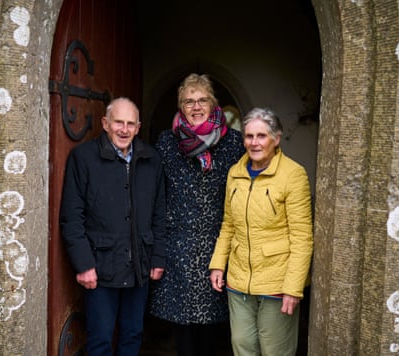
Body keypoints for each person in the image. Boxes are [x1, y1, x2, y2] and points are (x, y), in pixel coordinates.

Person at [59, 97, 166, 355]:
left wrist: (158, 257)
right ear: (106, 123)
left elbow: (160, 214)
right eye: (119, 122)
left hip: (140, 267)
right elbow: (71, 218)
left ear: (138, 127)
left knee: (132, 337)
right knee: (100, 341)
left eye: (131, 124)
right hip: (100, 268)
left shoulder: (151, 159)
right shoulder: (83, 158)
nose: (124, 129)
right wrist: (84, 264)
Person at [148, 73, 245, 356]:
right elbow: (155, 193)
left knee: (215, 328)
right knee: (183, 328)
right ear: (180, 106)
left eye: (202, 99)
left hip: (218, 246)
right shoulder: (166, 142)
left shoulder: (235, 143)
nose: (196, 106)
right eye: (189, 101)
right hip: (178, 246)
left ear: (213, 104)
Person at [209, 107, 313, 356]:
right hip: (238, 281)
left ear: (276, 139)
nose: (254, 143)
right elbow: (228, 224)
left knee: (274, 350)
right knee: (242, 346)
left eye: (261, 136)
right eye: (249, 136)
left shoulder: (293, 175)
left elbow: (302, 237)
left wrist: (293, 287)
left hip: (277, 283)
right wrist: (217, 264)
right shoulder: (235, 172)